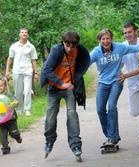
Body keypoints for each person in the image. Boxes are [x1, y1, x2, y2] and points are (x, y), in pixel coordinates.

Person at [90, 29, 139, 147]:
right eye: (103, 39)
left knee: (111, 107)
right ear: (99, 41)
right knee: (100, 109)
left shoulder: (119, 48)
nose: (106, 41)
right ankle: (111, 136)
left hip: (117, 81)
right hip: (103, 83)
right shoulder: (96, 52)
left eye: (108, 38)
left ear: (111, 39)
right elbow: (85, 63)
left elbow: (137, 48)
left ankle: (111, 137)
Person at [40, 31, 90, 161]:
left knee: (72, 114)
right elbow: (46, 70)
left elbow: (85, 62)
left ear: (76, 45)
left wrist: (75, 79)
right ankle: (49, 140)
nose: (69, 49)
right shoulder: (56, 50)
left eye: (72, 46)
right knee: (51, 117)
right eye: (67, 45)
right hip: (54, 88)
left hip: (69, 89)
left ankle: (75, 146)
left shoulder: (79, 50)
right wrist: (61, 83)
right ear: (63, 43)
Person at [5, 28, 39, 116]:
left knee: (27, 90)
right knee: (18, 91)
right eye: (22, 32)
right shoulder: (14, 46)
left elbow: (34, 60)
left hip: (28, 71)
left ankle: (27, 109)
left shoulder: (31, 47)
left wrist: (36, 73)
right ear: (19, 34)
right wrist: (7, 70)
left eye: (26, 32)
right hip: (17, 71)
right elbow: (10, 58)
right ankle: (19, 109)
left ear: (27, 35)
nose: (24, 34)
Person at [0, 76, 22, 154]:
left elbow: (16, 102)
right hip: (1, 120)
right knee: (2, 135)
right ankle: (5, 148)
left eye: (1, 86)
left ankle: (17, 137)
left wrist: (11, 105)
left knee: (14, 133)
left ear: (5, 86)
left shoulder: (8, 94)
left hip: (11, 119)